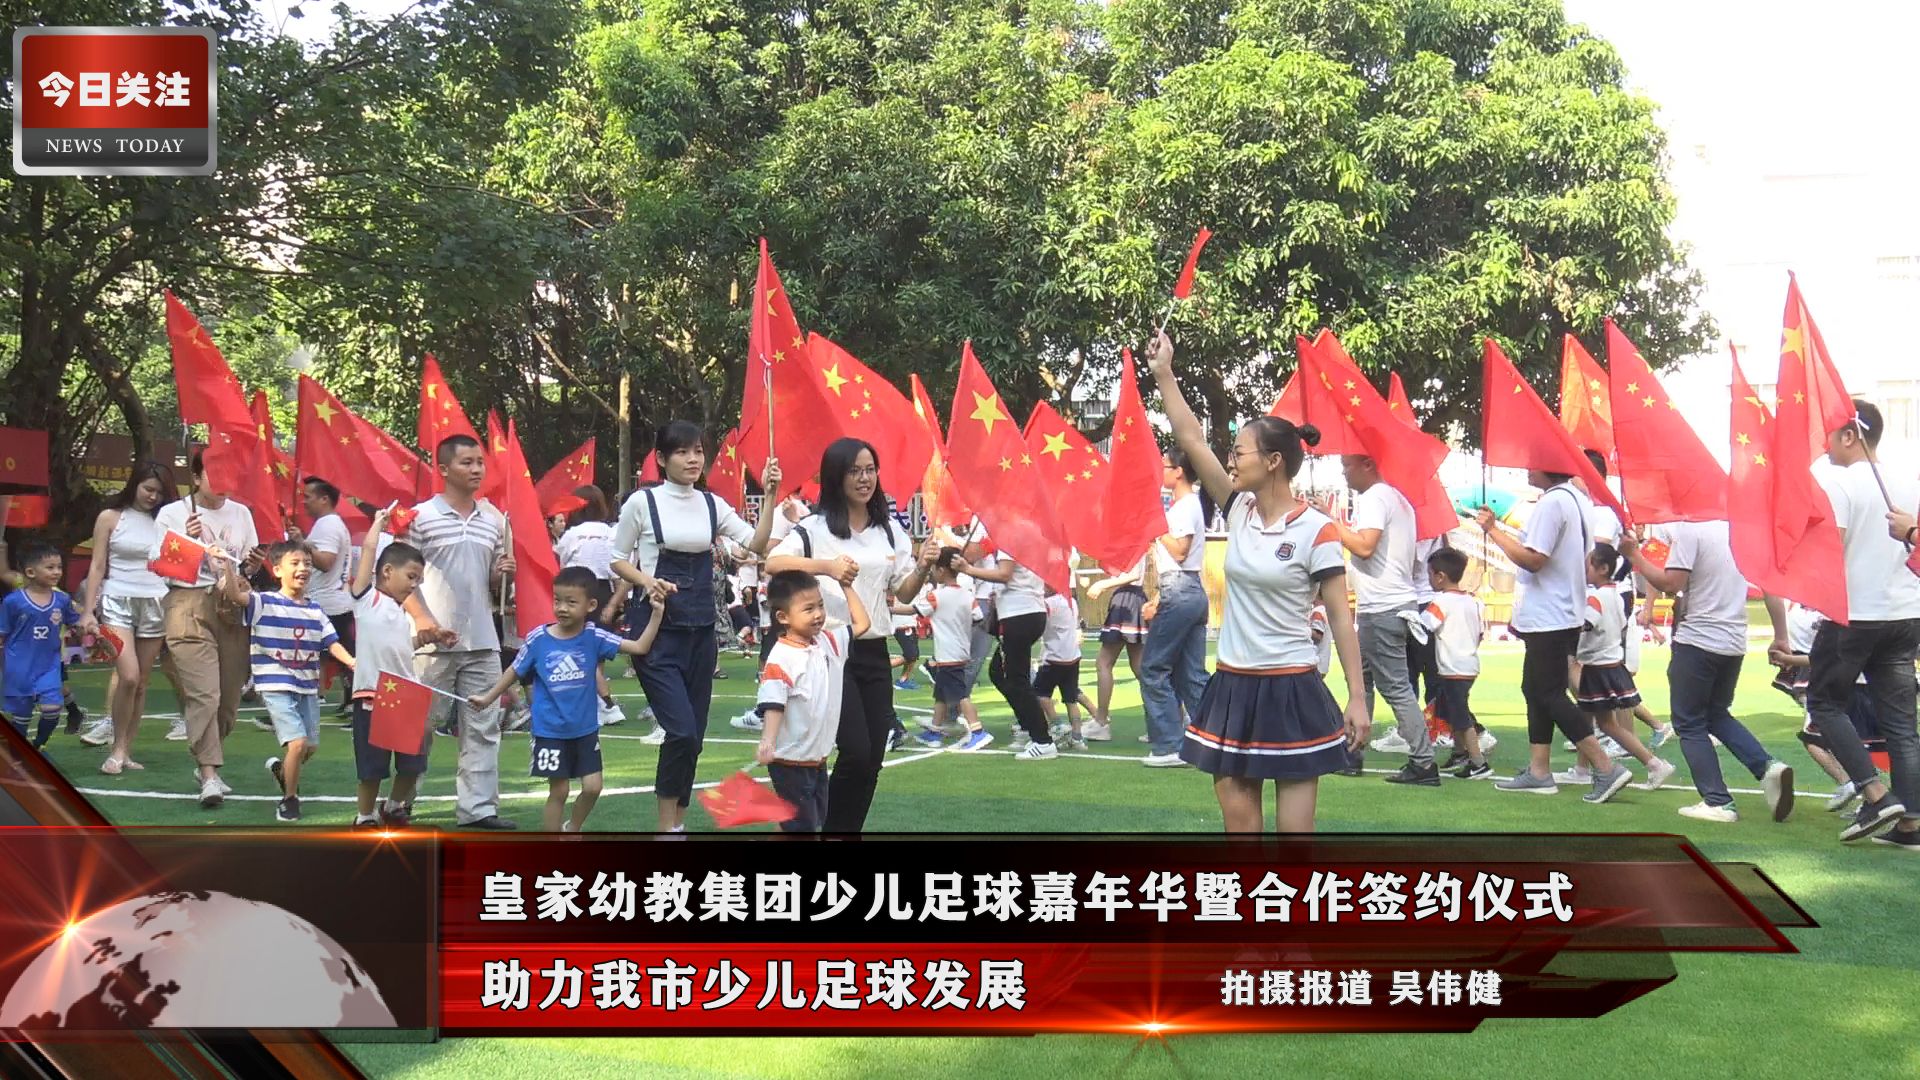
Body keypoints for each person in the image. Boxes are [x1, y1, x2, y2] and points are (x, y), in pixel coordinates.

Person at [1149, 331, 1370, 833]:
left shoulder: (1318, 529)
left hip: (1292, 686)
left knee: (1295, 841)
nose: (1231, 460)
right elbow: (1191, 440)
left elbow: (1340, 617)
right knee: (1240, 839)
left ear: (1273, 461)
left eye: (1241, 452)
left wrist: (1356, 697)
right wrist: (1164, 373)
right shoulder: (1239, 508)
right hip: (1232, 687)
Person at [611, 421, 781, 834]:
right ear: (662, 459)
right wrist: (648, 581)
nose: (692, 459)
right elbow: (617, 559)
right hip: (656, 629)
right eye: (682, 452)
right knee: (681, 730)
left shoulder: (711, 504)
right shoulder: (642, 503)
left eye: (698, 451)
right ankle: (667, 826)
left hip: (702, 630)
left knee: (695, 735)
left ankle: (676, 825)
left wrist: (771, 494)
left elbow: (754, 545)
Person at [768, 437, 935, 825]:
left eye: (870, 469)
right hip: (830, 652)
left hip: (875, 649)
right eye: (854, 471)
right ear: (835, 476)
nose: (864, 479)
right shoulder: (814, 528)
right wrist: (827, 567)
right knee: (856, 750)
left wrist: (923, 566)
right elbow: (773, 563)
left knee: (873, 756)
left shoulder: (889, 530)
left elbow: (901, 591)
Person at [1796, 401, 1919, 847]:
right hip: (1906, 614)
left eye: (1829, 434)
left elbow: (1833, 548)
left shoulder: (1842, 483)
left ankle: (1874, 791)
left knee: (1824, 704)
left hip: (1855, 614)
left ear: (1851, 436)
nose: (1824, 444)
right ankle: (1911, 823)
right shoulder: (1909, 479)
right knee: (1902, 723)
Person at [470, 566, 667, 833]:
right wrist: (488, 698)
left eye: (571, 602)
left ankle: (572, 827)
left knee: (593, 787)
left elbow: (640, 647)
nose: (562, 608)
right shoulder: (539, 639)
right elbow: (514, 671)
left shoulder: (593, 636)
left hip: (585, 731)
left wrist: (657, 613)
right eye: (557, 600)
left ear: (591, 605)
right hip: (549, 731)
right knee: (559, 790)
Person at [1622, 521, 1795, 823]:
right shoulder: (1746, 531)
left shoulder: (1691, 530)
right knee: (1716, 714)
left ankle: (1717, 800)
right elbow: (1771, 590)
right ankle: (1766, 767)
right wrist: (1781, 636)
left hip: (1698, 639)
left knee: (1688, 723)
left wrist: (1634, 555)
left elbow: (1671, 583)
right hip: (1733, 641)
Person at [1476, 469, 1628, 801]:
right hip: (1562, 611)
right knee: (1536, 689)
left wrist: (1493, 531)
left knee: (1547, 694)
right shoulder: (1577, 500)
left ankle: (1605, 767)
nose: (1526, 469)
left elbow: (1534, 560)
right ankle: (1540, 770)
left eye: (1532, 462)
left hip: (1549, 614)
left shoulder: (1554, 502)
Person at [403, 435, 518, 831]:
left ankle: (479, 810)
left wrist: (500, 573)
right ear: (444, 468)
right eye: (467, 462)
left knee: (484, 727)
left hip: (482, 640)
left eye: (479, 462)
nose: (476, 469)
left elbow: (489, 585)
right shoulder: (419, 517)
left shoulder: (495, 520)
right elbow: (400, 579)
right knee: (417, 727)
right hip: (430, 642)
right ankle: (401, 802)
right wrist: (422, 620)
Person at [150, 449, 263, 809]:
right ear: (196, 477)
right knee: (205, 694)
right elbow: (160, 566)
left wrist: (252, 564)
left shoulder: (242, 513)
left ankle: (207, 759)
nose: (225, 483)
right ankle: (210, 775)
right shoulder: (173, 513)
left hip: (230, 607)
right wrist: (187, 541)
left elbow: (243, 568)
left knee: (228, 701)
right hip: (187, 604)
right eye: (216, 474)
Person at [1315, 453, 1436, 786]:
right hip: (1392, 603)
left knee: (1394, 686)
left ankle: (1423, 762)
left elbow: (1365, 546)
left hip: (1382, 605)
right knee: (1363, 681)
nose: (1343, 474)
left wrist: (1329, 523)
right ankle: (1353, 751)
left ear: (1368, 463)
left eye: (1347, 467)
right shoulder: (1398, 500)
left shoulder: (1374, 498)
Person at [216, 540, 356, 823]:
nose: (303, 568)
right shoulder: (264, 601)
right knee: (297, 743)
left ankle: (284, 772)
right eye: (295, 563)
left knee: (309, 747)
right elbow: (235, 595)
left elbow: (332, 643)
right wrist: (227, 566)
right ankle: (289, 799)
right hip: (275, 683)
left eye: (307, 563)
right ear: (277, 570)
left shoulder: (315, 610)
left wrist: (353, 662)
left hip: (306, 685)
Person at [345, 511, 455, 829]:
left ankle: (393, 806)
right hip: (373, 694)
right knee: (372, 764)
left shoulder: (399, 612)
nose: (414, 585)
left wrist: (431, 636)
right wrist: (379, 525)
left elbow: (400, 648)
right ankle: (364, 815)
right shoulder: (367, 600)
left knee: (413, 762)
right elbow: (368, 553)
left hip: (405, 695)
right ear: (387, 571)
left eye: (419, 579)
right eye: (411, 577)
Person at [754, 567, 873, 832]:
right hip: (790, 761)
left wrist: (846, 586)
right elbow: (774, 704)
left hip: (816, 758)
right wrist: (768, 740)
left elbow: (863, 624)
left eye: (820, 605)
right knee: (802, 827)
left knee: (804, 822)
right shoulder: (781, 657)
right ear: (783, 617)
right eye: (808, 609)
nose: (819, 614)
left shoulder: (829, 642)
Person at [77, 463, 175, 773]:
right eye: (148, 488)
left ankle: (124, 751)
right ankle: (116, 748)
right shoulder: (110, 517)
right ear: (134, 484)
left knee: (142, 683)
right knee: (129, 675)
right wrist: (88, 610)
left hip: (157, 603)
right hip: (117, 600)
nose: (153, 496)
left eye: (159, 492)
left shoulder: (168, 522)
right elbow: (97, 565)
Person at [1562, 543, 1673, 798]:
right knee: (1594, 721)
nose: (1585, 569)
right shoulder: (1615, 595)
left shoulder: (1596, 598)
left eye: (1589, 564)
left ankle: (1653, 764)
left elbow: (1584, 625)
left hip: (1598, 668)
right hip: (1610, 665)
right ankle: (1584, 767)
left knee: (1603, 724)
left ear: (1602, 568)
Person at [1138, 449, 1214, 768]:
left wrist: (1156, 528)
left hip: (1181, 587)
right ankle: (1209, 739)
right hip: (1191, 590)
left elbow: (1180, 550)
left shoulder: (1184, 506)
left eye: (1165, 467)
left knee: (1153, 669)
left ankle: (1170, 744)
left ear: (1179, 471)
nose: (1161, 472)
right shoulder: (1190, 505)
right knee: (1191, 674)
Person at [555, 486, 630, 731]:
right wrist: (612, 604)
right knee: (594, 655)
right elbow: (622, 576)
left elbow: (561, 565)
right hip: (603, 593)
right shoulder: (611, 534)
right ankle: (598, 703)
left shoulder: (572, 535)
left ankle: (606, 704)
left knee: (580, 653)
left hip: (577, 592)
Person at [2, 541, 82, 750]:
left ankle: (38, 744)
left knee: (52, 708)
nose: (57, 572)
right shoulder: (13, 601)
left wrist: (89, 628)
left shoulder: (62, 600)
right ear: (30, 571)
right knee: (22, 715)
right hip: (19, 667)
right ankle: (17, 749)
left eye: (59, 567)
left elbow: (75, 622)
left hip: (49, 665)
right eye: (50, 567)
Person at [911, 549, 992, 751]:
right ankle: (935, 731)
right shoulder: (966, 595)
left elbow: (915, 610)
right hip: (959, 651)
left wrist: (889, 610)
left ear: (940, 571)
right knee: (941, 694)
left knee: (960, 695)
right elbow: (978, 617)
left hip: (948, 654)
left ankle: (977, 731)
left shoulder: (936, 595)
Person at [1420, 547, 1489, 780]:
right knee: (1452, 711)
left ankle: (1478, 761)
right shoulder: (1472, 601)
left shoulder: (1440, 602)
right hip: (1468, 664)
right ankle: (1460, 753)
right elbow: (1480, 633)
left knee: (1460, 716)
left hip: (1453, 668)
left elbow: (1425, 625)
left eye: (1430, 574)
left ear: (1440, 576)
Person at [297, 478, 356, 717]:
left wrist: (304, 546)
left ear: (324, 499)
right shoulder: (331, 524)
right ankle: (350, 702)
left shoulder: (327, 525)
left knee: (313, 655)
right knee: (334, 656)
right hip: (334, 601)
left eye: (308, 496)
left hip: (327, 603)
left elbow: (326, 561)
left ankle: (300, 707)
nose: (303, 501)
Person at [1084, 555, 1148, 742]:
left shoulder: (1133, 538)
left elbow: (1133, 574)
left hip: (1126, 599)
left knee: (1104, 662)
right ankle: (1168, 718)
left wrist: (1102, 584)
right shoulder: (1135, 538)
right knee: (1140, 669)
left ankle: (1101, 722)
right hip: (1132, 598)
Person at [1034, 587, 1094, 750]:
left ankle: (1057, 725)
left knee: (1039, 694)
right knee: (1071, 699)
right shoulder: (1071, 601)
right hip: (1072, 656)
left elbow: (1038, 624)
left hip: (1054, 657)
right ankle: (1077, 738)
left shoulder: (1047, 604)